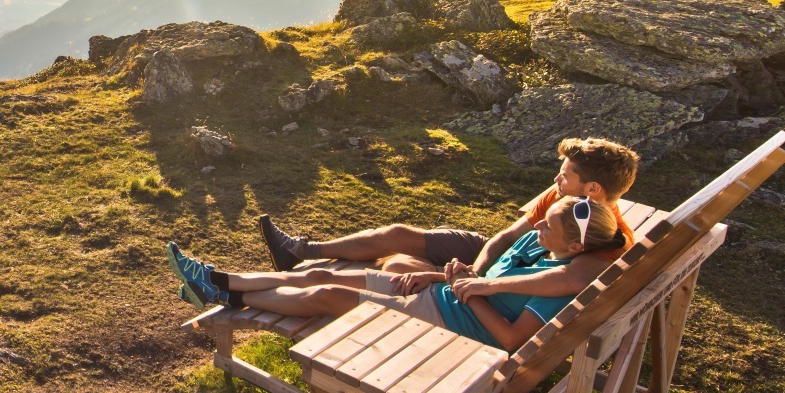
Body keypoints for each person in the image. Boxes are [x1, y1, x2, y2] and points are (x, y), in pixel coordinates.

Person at [170, 194, 622, 351]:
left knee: (324, 296)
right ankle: (220, 277)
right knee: (315, 276)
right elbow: (479, 278)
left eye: (550, 225)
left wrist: (466, 291)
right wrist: (446, 276)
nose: (538, 224)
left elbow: (508, 340)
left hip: (450, 324)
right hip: (437, 294)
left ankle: (222, 297)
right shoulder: (536, 242)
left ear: (575, 246)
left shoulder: (557, 287)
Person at [255, 137, 641, 294]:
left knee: (400, 264)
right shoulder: (563, 201)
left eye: (567, 173)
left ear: (593, 189)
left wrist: (477, 278)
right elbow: (506, 237)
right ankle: (302, 250)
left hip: (503, 284)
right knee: (399, 233)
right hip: (497, 263)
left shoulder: (600, 244)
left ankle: (305, 282)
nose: (557, 177)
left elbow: (549, 282)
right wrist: (482, 265)